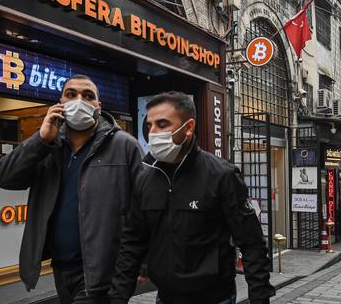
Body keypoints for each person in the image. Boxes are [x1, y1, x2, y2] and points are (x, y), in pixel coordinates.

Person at [109, 92, 275, 304]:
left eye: (162, 124)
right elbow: (132, 243)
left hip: (214, 298)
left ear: (188, 127)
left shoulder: (221, 175)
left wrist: (260, 298)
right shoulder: (145, 179)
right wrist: (117, 298)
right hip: (165, 298)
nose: (153, 133)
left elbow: (251, 243)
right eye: (149, 125)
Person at [0, 74, 143, 304]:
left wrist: (139, 263)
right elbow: (5, 177)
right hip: (60, 267)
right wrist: (40, 140)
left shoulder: (124, 145)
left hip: (103, 271)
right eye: (71, 95)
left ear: (98, 106)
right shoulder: (48, 146)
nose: (79, 100)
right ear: (60, 103)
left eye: (88, 96)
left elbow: (144, 206)